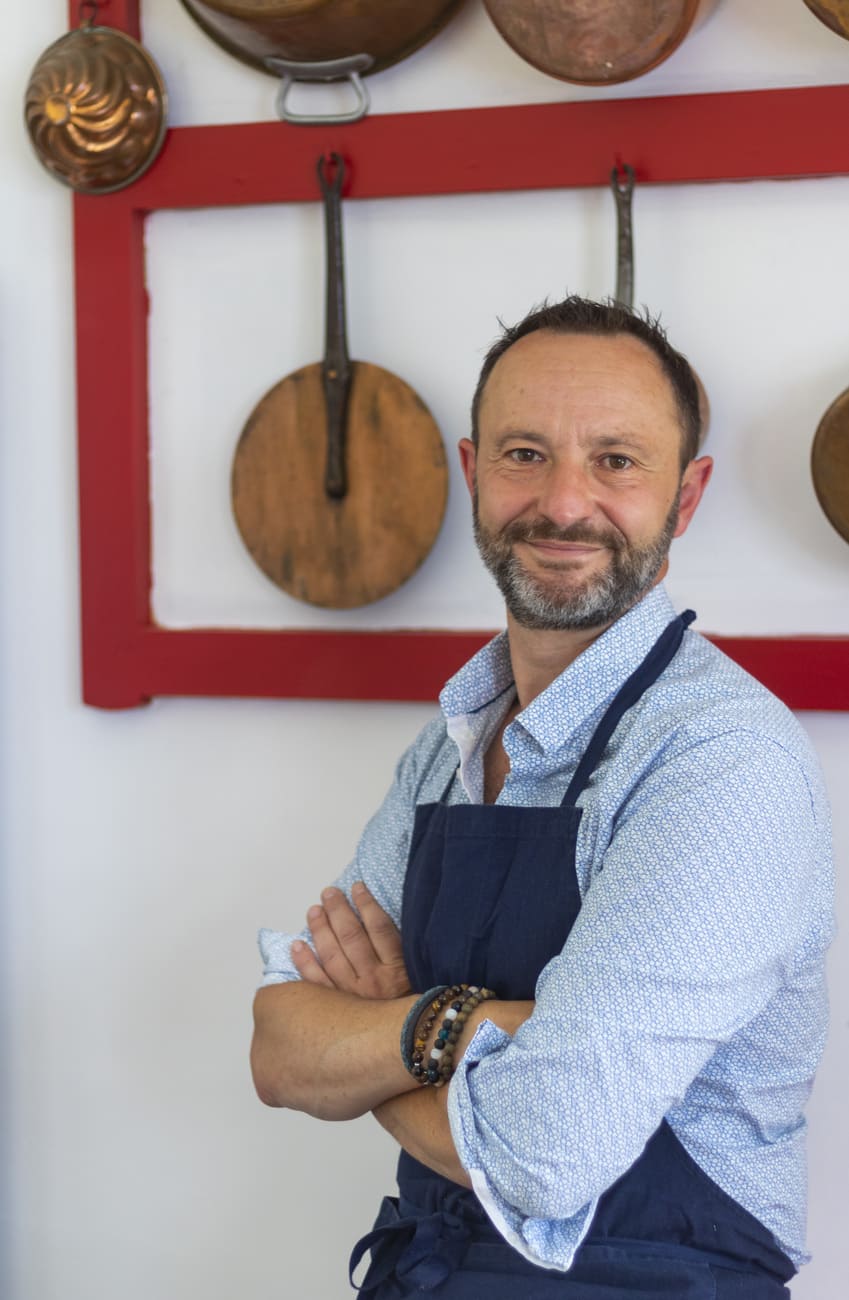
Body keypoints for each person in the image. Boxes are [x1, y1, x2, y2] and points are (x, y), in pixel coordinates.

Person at [251, 296, 834, 1298]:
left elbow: (543, 1155)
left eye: (616, 460)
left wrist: (388, 1034)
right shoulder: (449, 741)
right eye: (526, 454)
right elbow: (279, 1047)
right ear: (475, 474)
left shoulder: (724, 760)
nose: (563, 504)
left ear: (684, 498)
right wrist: (462, 1026)